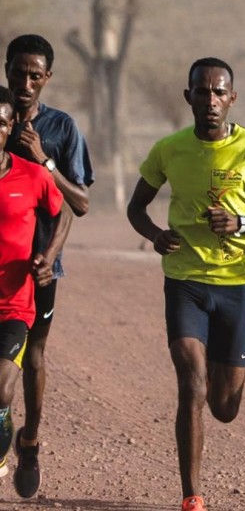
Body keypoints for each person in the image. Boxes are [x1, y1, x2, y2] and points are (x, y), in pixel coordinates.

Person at [126, 57, 245, 511]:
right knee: (192, 383)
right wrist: (155, 235)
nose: (211, 100)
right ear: (189, 98)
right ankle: (192, 496)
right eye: (202, 91)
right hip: (184, 279)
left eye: (219, 92)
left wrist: (242, 222)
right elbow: (135, 208)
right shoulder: (170, 149)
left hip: (236, 283)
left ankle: (226, 383)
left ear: (232, 98)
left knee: (224, 406)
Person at [4, 34, 93, 499]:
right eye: (17, 72)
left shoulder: (61, 127)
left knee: (33, 356)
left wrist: (44, 159)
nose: (25, 82)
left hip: (39, 270)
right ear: (5, 70)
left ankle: (30, 442)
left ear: (47, 79)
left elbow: (78, 203)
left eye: (34, 75)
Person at [0, 85, 72, 482]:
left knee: (4, 387)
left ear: (10, 128)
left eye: (0, 123)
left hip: (15, 302)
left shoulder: (30, 175)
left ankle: (16, 447)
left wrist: (50, 253)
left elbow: (66, 212)